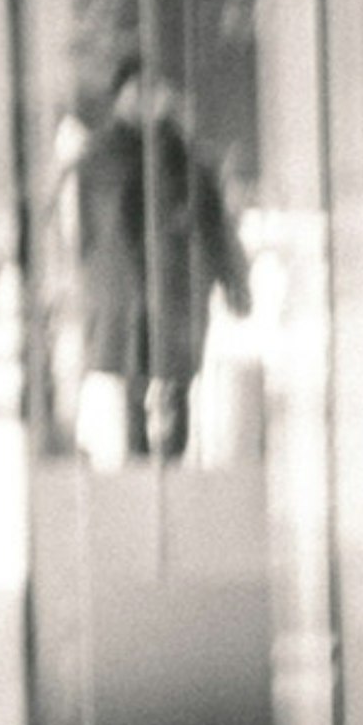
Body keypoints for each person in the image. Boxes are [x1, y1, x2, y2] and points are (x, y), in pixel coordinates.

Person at [71, 60, 249, 462]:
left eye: (154, 90)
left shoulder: (184, 156)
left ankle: (171, 464)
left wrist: (230, 276)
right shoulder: (101, 159)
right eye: (138, 90)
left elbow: (211, 219)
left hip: (174, 286)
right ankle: (142, 465)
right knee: (137, 382)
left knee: (176, 382)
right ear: (121, 96)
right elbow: (90, 234)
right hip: (131, 291)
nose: (149, 100)